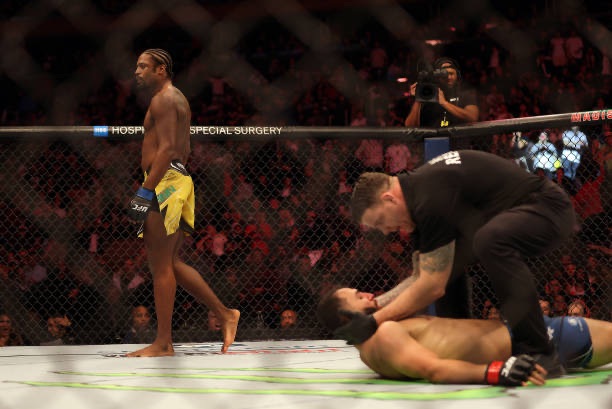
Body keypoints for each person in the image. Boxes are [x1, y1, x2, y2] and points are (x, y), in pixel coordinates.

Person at [335, 150, 576, 377]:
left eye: (380, 221)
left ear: (389, 199)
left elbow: (432, 286)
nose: (386, 231)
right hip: (515, 217)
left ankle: (539, 350)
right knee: (447, 266)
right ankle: (463, 345)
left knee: (489, 241)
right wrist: (375, 306)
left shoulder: (429, 197)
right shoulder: (416, 202)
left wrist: (375, 320)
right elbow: (421, 278)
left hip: (547, 208)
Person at [127, 48, 239, 357]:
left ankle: (164, 342)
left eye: (143, 66)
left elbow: (167, 149)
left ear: (160, 69)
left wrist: (145, 190)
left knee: (162, 267)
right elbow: (182, 149)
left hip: (165, 181)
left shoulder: (163, 99)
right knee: (169, 263)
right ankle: (225, 314)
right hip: (173, 179)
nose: (137, 72)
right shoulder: (176, 98)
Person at [318, 287, 612, 383]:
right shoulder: (385, 335)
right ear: (347, 318)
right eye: (359, 297)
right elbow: (434, 369)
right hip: (533, 341)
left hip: (520, 336)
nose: (369, 295)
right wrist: (497, 370)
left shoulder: (370, 351)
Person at [404, 57, 479, 128]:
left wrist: (444, 103)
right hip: (433, 137)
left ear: (457, 75)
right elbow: (410, 127)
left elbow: (472, 117)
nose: (448, 77)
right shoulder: (429, 93)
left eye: (451, 74)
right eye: (444, 75)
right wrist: (418, 98)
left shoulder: (465, 93)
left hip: (459, 136)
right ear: (437, 77)